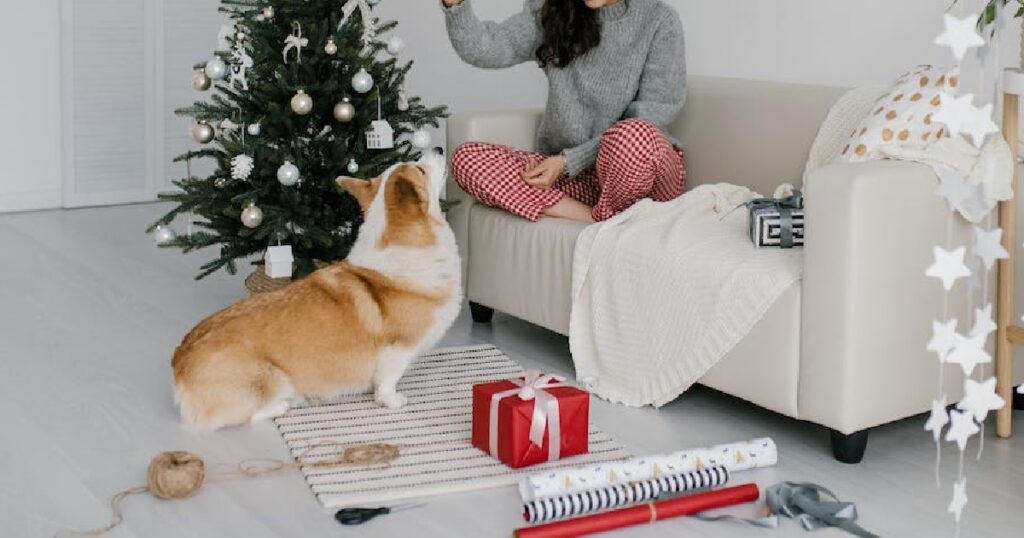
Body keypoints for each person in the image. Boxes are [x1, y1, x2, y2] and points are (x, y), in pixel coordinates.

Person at [442, 0, 687, 223]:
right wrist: (456, 5)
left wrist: (570, 160)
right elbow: (486, 48)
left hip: (641, 173)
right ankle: (600, 219)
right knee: (466, 159)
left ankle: (611, 217)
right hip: (578, 181)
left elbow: (654, 113)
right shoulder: (551, 9)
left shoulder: (659, 19)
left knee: (633, 135)